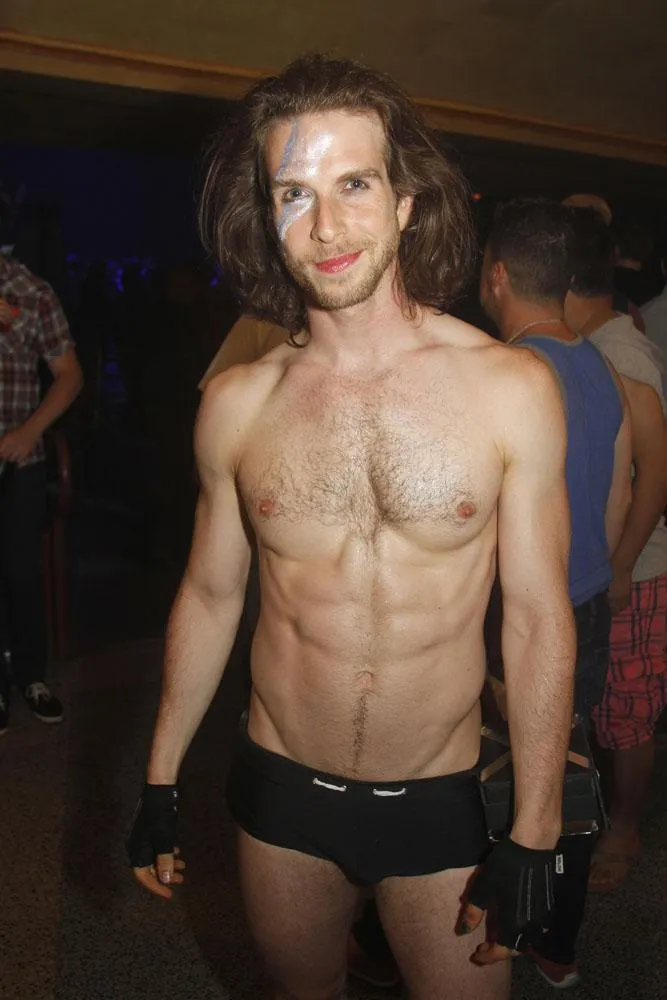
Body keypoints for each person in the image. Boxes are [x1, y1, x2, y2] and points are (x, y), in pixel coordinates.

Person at [127, 55, 576, 1000]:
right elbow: (210, 594)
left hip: (439, 796)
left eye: (354, 185)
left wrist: (535, 827)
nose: (325, 226)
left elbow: (538, 615)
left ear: (406, 201)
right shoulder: (236, 404)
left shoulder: (510, 389)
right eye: (294, 193)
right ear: (266, 215)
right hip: (282, 788)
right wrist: (160, 777)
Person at [480, 199, 632, 987]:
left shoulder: (503, 373)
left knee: (500, 771)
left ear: (497, 276)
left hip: (519, 608)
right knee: (567, 770)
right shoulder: (602, 367)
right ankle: (557, 941)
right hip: (586, 598)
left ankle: (495, 922)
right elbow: (614, 499)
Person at [564, 208, 667, 894]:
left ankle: (626, 826)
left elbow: (655, 472)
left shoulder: (619, 352)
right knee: (604, 708)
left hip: (635, 565)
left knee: (626, 714)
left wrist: (624, 565)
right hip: (608, 564)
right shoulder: (597, 342)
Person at [0, 250, 84, 735]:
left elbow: (69, 375)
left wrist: (30, 431)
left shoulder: (32, 292)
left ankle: (31, 676)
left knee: (20, 572)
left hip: (18, 459)